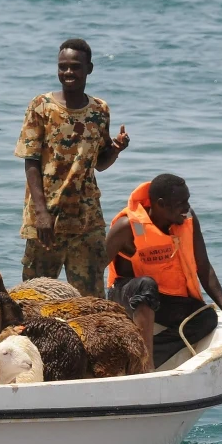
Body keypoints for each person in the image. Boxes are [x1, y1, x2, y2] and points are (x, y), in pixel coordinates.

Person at [15, 37, 131, 296]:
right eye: (63, 67)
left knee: (89, 301)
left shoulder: (99, 110)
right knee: (35, 298)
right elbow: (31, 162)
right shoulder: (41, 106)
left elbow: (99, 164)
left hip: (87, 224)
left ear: (89, 69)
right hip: (46, 224)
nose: (68, 72)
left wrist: (116, 149)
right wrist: (41, 214)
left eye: (75, 67)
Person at [105, 174, 222, 370]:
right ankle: (145, 365)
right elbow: (95, 265)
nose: (187, 208)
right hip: (127, 295)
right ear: (160, 204)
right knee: (146, 284)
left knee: (206, 318)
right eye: (180, 203)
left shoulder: (187, 221)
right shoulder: (127, 227)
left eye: (188, 200)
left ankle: (139, 356)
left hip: (160, 297)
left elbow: (204, 266)